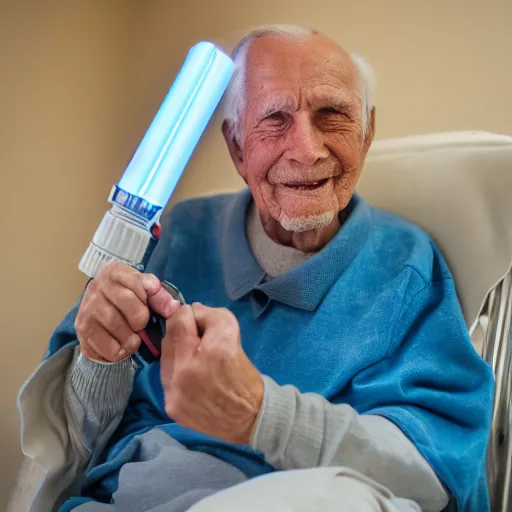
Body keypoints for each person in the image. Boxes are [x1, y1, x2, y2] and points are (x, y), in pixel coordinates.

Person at [10, 25, 493, 512]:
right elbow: (74, 447)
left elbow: (434, 473)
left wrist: (262, 414)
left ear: (366, 134)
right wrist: (100, 360)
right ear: (237, 147)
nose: (306, 149)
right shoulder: (180, 234)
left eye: (332, 116)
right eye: (275, 119)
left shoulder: (404, 267)